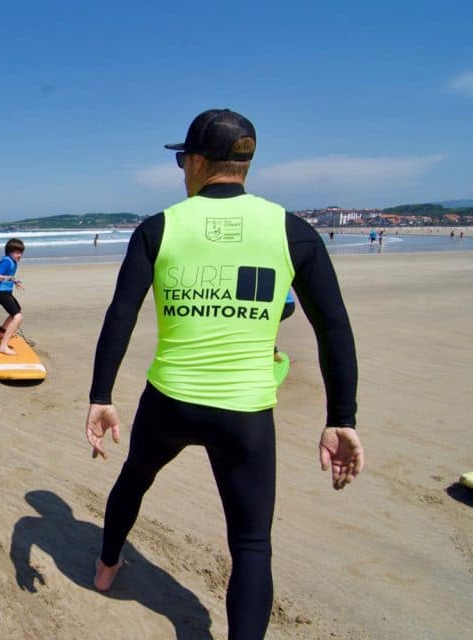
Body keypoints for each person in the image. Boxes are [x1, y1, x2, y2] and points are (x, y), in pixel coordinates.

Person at [84, 109, 363, 639]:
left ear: (196, 161)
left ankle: (106, 567)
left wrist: (101, 395)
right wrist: (341, 418)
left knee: (135, 479)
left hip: (169, 403)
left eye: (181, 160)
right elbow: (334, 330)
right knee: (252, 544)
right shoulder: (293, 232)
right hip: (245, 414)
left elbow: (120, 315)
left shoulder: (159, 228)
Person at [0, 238, 26, 356]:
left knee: (16, 312)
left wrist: (16, 282)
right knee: (18, 317)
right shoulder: (6, 261)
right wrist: (10, 278)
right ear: (9, 252)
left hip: (6, 292)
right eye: (16, 252)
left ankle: (1, 333)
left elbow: (9, 276)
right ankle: (3, 346)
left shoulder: (13, 262)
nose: (19, 255)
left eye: (21, 252)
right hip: (1, 293)